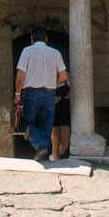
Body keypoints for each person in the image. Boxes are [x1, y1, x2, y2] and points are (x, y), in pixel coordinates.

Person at [14, 26, 68, 162]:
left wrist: (17, 93)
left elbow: (20, 74)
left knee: (28, 123)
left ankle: (39, 146)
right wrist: (51, 84)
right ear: (47, 39)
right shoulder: (55, 53)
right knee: (46, 125)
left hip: (31, 92)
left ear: (32, 39)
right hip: (50, 94)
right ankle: (42, 149)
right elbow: (63, 76)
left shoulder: (27, 51)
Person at [50, 80, 71, 161]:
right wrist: (52, 98)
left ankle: (58, 156)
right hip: (53, 109)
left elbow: (75, 89)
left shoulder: (66, 76)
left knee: (65, 141)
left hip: (65, 109)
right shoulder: (48, 76)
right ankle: (55, 158)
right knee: (55, 139)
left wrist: (71, 94)